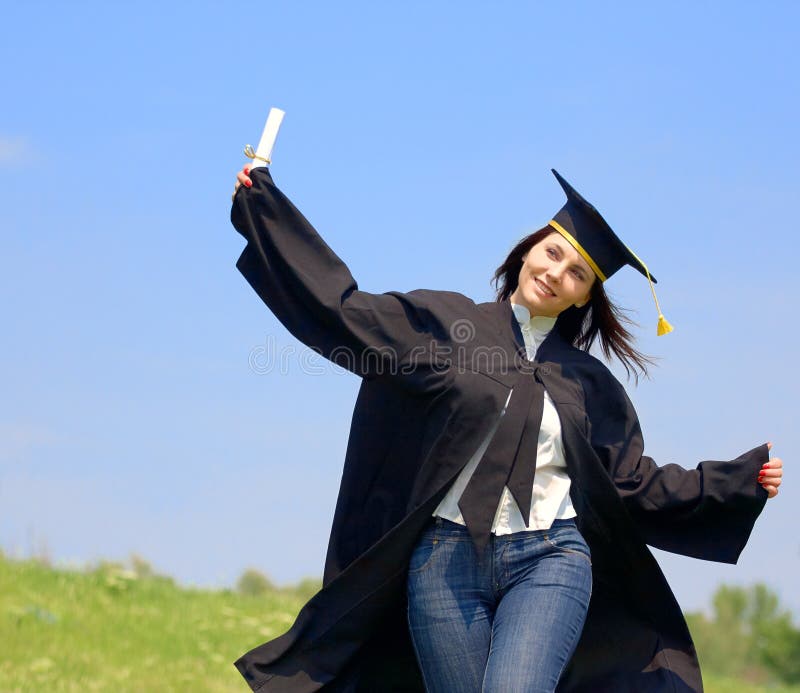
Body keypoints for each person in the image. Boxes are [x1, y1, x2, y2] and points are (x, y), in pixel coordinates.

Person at [229, 161, 782, 693]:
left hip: (550, 558)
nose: (555, 274)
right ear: (528, 250)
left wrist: (733, 481)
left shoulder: (588, 383)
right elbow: (345, 311)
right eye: (552, 254)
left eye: (577, 274)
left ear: (584, 296)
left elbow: (632, 482)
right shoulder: (447, 327)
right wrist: (265, 212)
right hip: (442, 564)